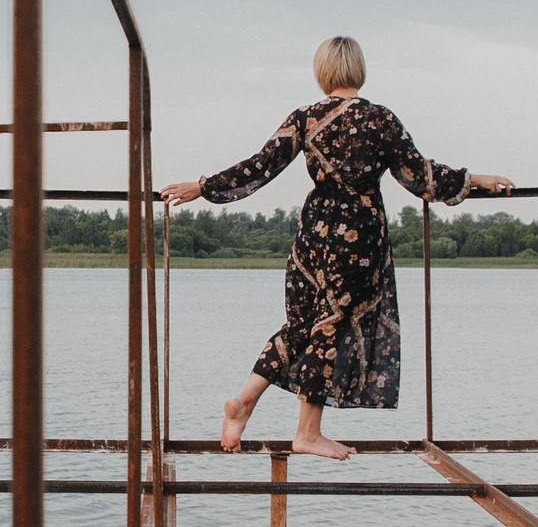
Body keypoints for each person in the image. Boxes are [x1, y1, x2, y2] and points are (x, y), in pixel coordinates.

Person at [161, 36, 514, 460]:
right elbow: (421, 177)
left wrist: (202, 186)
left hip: (312, 234)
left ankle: (245, 401)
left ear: (321, 72)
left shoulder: (305, 117)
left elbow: (260, 164)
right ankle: (307, 433)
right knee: (331, 326)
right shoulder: (380, 119)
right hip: (357, 238)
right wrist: (476, 179)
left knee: (300, 326)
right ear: (359, 70)